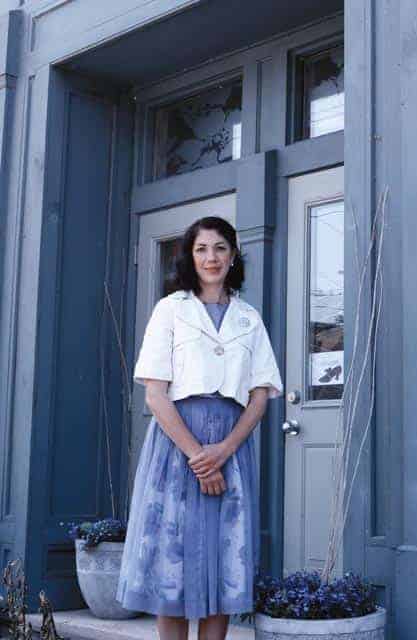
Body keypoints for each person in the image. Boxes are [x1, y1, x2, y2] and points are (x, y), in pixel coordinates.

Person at [116, 216, 283, 640]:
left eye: (221, 248)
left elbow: (260, 396)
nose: (212, 257)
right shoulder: (171, 309)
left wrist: (223, 452)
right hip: (176, 445)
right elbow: (155, 394)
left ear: (233, 256)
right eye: (202, 249)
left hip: (232, 444)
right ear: (190, 257)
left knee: (224, 557)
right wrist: (198, 456)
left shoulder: (249, 318)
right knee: (173, 563)